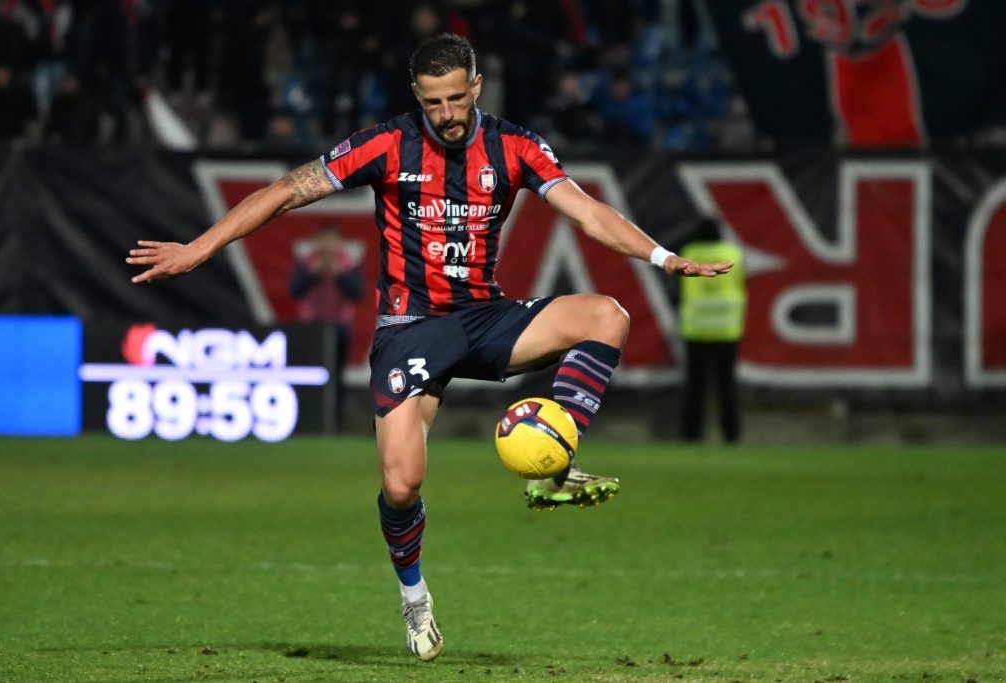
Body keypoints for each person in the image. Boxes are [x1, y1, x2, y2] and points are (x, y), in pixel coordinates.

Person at [126, 33, 732, 663]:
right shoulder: (387, 143)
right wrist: (199, 248)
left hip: (485, 317)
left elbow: (586, 211)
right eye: (433, 102)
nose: (447, 113)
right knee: (400, 485)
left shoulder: (516, 146)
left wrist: (662, 257)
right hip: (409, 329)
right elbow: (285, 191)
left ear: (476, 87)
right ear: (417, 96)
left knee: (607, 315)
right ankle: (414, 595)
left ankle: (556, 457)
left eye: (456, 98)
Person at [288, 224, 364, 432]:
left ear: (339, 243)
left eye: (332, 241)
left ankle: (334, 423)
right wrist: (313, 274)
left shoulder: (348, 265)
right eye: (324, 240)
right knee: (309, 376)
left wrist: (339, 275)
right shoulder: (307, 264)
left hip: (340, 329)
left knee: (336, 377)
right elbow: (295, 290)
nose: (328, 246)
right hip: (311, 330)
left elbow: (358, 292)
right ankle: (307, 422)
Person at [678, 218, 746, 443]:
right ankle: (731, 432)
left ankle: (692, 433)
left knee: (695, 385)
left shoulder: (689, 253)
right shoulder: (733, 254)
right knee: (727, 385)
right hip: (727, 329)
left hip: (696, 329)